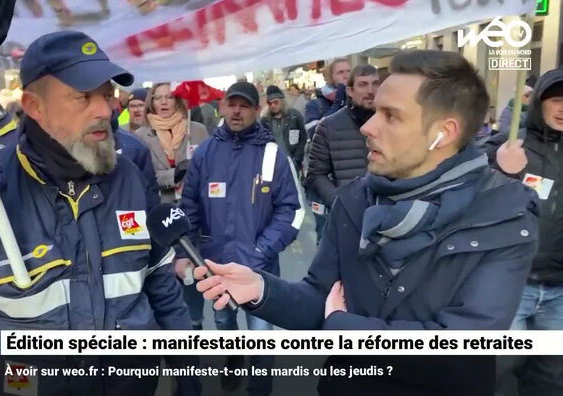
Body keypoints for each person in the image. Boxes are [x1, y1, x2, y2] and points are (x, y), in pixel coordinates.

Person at [194, 50, 539, 395]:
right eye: (375, 112)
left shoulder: (503, 216)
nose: (368, 127)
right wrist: (262, 289)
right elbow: (321, 299)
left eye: (391, 116)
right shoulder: (355, 200)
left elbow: (457, 352)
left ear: (443, 133)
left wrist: (343, 328)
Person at [0, 31, 191, 395]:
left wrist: (184, 363)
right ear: (34, 106)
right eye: (83, 97)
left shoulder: (127, 175)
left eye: (107, 94)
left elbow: (156, 276)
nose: (105, 110)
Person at [179, 82, 304, 396]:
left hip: (259, 267)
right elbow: (190, 205)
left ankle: (259, 388)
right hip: (216, 265)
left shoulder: (272, 153)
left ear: (256, 108)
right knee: (223, 322)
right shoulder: (206, 152)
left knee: (261, 332)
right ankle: (233, 358)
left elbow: (292, 210)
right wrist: (193, 252)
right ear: (222, 107)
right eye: (231, 104)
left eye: (244, 105)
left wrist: (261, 248)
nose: (236, 110)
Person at [484, 68, 563, 396]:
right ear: (539, 102)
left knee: (552, 377)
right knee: (499, 372)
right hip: (512, 284)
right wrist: (501, 169)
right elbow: (471, 194)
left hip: (559, 289)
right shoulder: (510, 143)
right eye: (557, 100)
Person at [304, 64, 380, 243]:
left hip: (386, 217)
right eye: (363, 85)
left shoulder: (393, 122)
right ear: (350, 91)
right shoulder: (330, 126)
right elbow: (316, 174)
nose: (370, 90)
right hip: (346, 220)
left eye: (375, 83)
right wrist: (339, 202)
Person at [135, 82, 208, 203]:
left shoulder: (197, 130)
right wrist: (174, 174)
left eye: (169, 97)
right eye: (158, 98)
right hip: (160, 206)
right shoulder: (141, 135)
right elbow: (142, 176)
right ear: (151, 102)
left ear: (177, 101)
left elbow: (209, 168)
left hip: (193, 204)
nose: (164, 102)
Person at [260, 85, 307, 171]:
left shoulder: (295, 116)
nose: (273, 106)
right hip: (275, 165)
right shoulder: (265, 121)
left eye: (276, 102)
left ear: (282, 101)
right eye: (270, 103)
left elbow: (303, 138)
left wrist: (297, 158)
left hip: (294, 161)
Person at [304, 57, 351, 138]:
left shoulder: (357, 100)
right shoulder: (315, 105)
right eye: (340, 72)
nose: (346, 76)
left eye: (349, 71)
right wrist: (337, 104)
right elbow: (314, 134)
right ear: (330, 77)